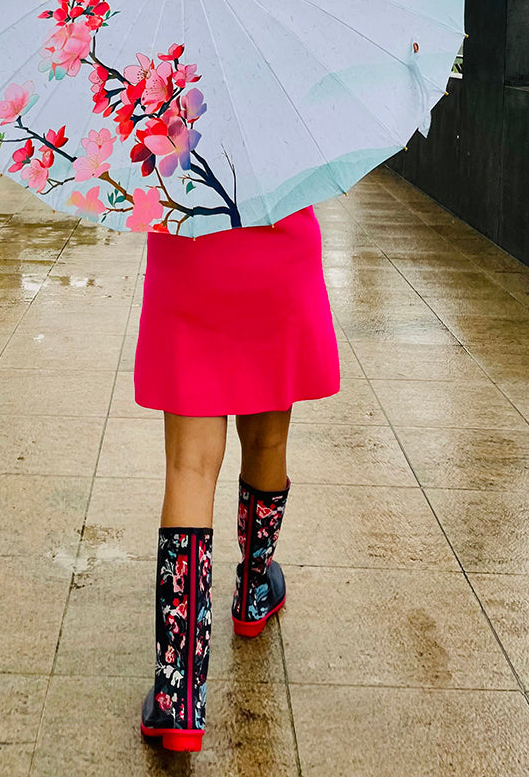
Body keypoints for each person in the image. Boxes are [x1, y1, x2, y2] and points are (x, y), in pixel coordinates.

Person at [133, 204, 341, 752]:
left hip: (189, 252)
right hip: (279, 254)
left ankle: (178, 696)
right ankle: (253, 590)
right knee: (268, 439)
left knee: (189, 467)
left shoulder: (162, 108)